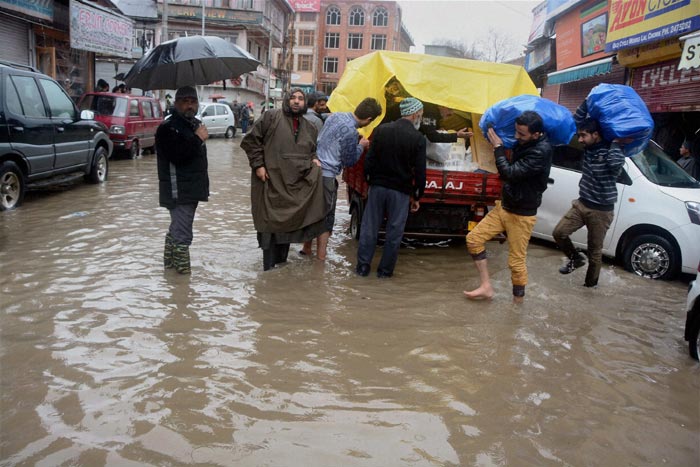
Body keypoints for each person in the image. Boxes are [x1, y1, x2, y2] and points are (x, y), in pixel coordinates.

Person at [464, 111, 552, 303]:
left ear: (536, 134)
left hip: (522, 215)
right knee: (473, 239)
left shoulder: (540, 152)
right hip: (504, 206)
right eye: (516, 132)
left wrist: (498, 148)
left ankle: (516, 308)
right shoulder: (525, 143)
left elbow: (509, 173)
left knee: (516, 262)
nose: (517, 137)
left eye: (522, 134)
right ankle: (486, 286)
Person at [240, 88, 327, 271]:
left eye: (301, 99)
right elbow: (250, 141)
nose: (296, 101)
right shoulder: (271, 117)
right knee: (269, 228)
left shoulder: (310, 127)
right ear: (287, 100)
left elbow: (309, 151)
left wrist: (314, 161)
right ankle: (268, 273)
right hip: (270, 183)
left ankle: (279, 271)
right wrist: (258, 165)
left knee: (288, 229)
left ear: (305, 103)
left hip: (294, 188)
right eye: (293, 98)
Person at [300, 97, 383, 260]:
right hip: (327, 176)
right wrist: (361, 146)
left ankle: (306, 248)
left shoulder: (335, 116)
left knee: (311, 211)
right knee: (326, 216)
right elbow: (349, 160)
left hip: (312, 170)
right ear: (368, 120)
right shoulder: (352, 132)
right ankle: (321, 259)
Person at [356, 97, 426, 278]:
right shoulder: (417, 138)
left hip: (378, 187)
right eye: (420, 113)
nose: (421, 117)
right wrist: (417, 195)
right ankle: (385, 273)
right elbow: (420, 172)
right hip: (400, 192)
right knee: (394, 233)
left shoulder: (381, 130)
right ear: (415, 114)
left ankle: (362, 268)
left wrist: (369, 181)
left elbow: (369, 160)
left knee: (369, 229)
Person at [552, 117, 626, 288]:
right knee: (559, 233)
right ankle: (576, 259)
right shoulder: (588, 148)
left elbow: (616, 165)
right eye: (579, 136)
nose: (580, 140)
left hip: (601, 211)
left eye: (583, 135)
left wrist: (615, 142)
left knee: (594, 253)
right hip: (581, 204)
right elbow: (578, 116)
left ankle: (589, 288)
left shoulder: (612, 151)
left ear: (596, 134)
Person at [156, 86, 210, 274]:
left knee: (176, 230)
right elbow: (176, 156)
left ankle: (169, 272)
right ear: (176, 103)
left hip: (190, 189)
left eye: (193, 101)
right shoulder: (167, 128)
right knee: (182, 235)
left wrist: (197, 135)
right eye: (185, 101)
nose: (189, 105)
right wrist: (197, 139)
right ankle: (182, 284)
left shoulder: (193, 124)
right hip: (178, 190)